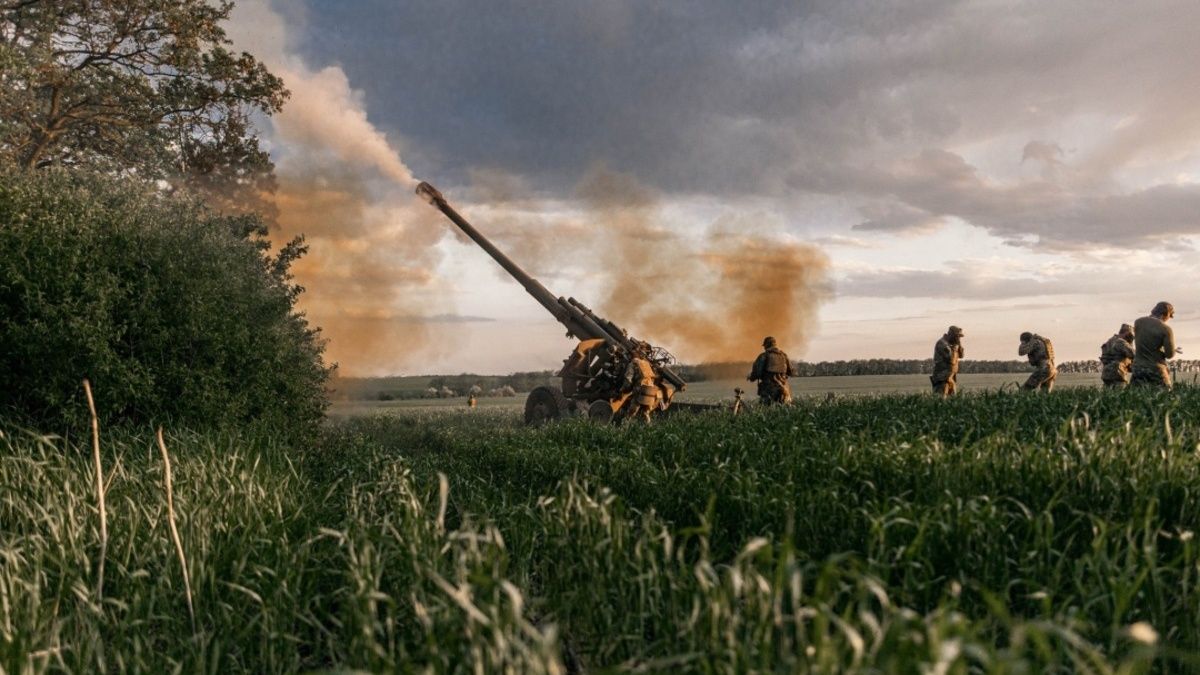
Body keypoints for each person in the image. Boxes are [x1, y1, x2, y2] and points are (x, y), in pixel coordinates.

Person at [1131, 301, 1179, 389]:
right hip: (1155, 369)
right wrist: (1173, 350)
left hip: (1138, 368)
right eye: (1169, 316)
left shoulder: (1138, 322)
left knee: (1137, 398)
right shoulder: (1166, 329)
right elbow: (1169, 355)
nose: (1168, 319)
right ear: (1166, 313)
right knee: (1166, 397)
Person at [748, 336, 796, 404]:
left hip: (769, 390)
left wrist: (751, 377)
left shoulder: (764, 356)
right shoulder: (784, 356)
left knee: (765, 411)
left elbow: (757, 373)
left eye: (764, 346)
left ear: (767, 345)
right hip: (784, 388)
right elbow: (792, 372)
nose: (764, 348)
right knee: (785, 411)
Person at [622, 343, 660, 423]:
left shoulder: (633, 363)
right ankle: (648, 429)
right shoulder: (646, 364)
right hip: (650, 391)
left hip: (640, 390)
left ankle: (623, 429)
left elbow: (628, 379)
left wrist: (624, 389)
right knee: (645, 413)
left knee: (631, 413)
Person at [1099, 324, 1136, 389]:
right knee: (1120, 395)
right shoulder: (1121, 342)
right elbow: (1134, 354)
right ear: (1127, 333)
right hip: (1118, 374)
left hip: (1107, 374)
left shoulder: (1111, 340)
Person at [931, 326, 965, 397]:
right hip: (942, 380)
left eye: (959, 337)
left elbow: (961, 355)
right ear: (951, 335)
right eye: (956, 337)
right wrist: (955, 348)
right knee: (940, 403)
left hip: (950, 379)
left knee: (952, 403)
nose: (958, 339)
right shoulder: (942, 344)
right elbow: (951, 360)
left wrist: (959, 345)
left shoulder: (952, 345)